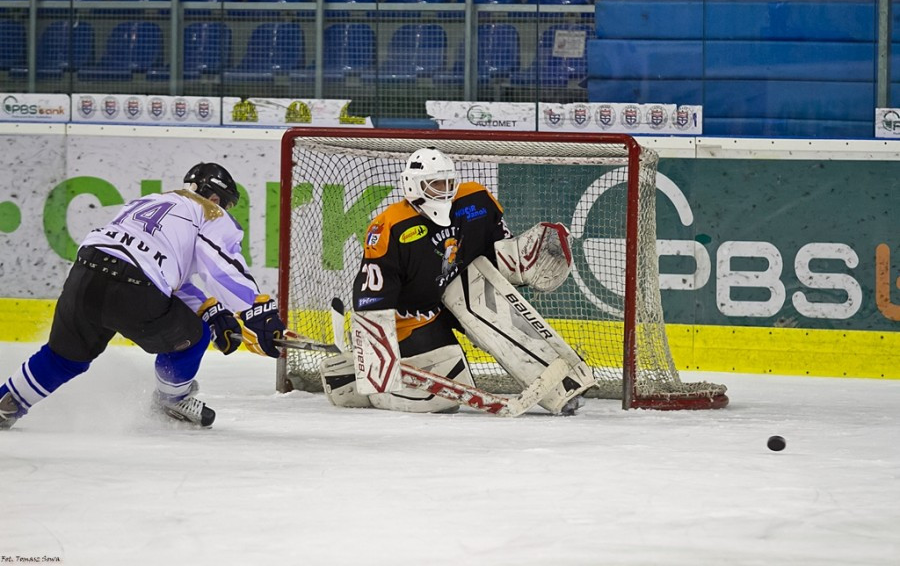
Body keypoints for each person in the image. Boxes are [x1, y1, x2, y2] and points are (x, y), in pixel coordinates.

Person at [0, 163, 285, 430]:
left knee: (62, 357)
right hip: (134, 288)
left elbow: (161, 268)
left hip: (86, 271)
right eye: (226, 202)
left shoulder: (147, 201)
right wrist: (256, 311)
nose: (225, 209)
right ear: (214, 196)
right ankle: (171, 401)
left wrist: (210, 310)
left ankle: (8, 401)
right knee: (194, 338)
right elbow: (221, 264)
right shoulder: (210, 211)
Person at [320, 147, 595, 414]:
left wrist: (521, 260)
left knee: (502, 314)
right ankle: (367, 389)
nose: (445, 190)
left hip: (457, 291)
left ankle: (561, 387)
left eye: (449, 182)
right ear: (413, 186)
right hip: (412, 317)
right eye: (435, 184)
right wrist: (375, 353)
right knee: (445, 394)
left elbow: (493, 260)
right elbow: (373, 299)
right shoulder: (390, 227)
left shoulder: (476, 201)